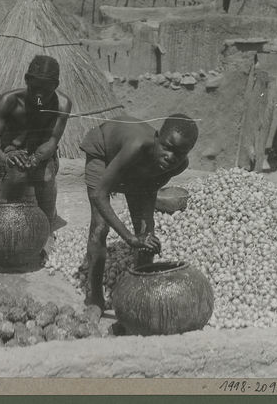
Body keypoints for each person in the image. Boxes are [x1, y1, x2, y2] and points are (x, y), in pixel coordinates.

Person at [79, 113, 199, 310]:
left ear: (188, 152)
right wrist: (129, 238)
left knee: (147, 237)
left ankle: (138, 295)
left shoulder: (179, 165)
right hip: (104, 150)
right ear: (158, 136)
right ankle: (95, 298)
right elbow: (99, 194)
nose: (170, 157)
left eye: (179, 153)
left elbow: (149, 189)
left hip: (134, 168)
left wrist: (145, 230)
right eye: (167, 147)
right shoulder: (137, 146)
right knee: (100, 228)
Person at [0, 55, 72, 236]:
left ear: (56, 85)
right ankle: (5, 229)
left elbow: (52, 141)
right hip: (10, 154)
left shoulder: (62, 104)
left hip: (42, 155)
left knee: (46, 177)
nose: (39, 96)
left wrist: (37, 158)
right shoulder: (9, 101)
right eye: (35, 88)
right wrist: (5, 158)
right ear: (26, 79)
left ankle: (44, 230)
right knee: (15, 181)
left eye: (45, 91)